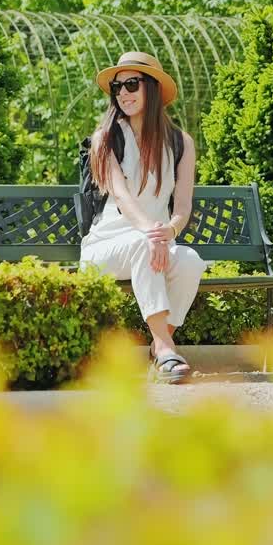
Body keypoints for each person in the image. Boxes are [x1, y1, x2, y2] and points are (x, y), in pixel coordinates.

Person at [80, 51, 206, 383]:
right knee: (142, 245)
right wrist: (151, 232)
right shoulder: (105, 138)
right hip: (105, 248)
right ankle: (166, 348)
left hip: (153, 241)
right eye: (117, 87)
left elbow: (182, 204)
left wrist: (169, 230)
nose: (123, 93)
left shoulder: (181, 143)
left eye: (131, 84)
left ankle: (157, 344)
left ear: (152, 89)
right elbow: (120, 195)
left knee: (191, 260)